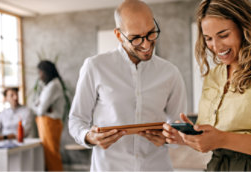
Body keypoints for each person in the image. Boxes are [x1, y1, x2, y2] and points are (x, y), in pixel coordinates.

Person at [163, 0, 251, 171]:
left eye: (223, 35)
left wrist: (222, 139)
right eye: (208, 38)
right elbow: (212, 138)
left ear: (245, 29)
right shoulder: (214, 75)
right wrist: (186, 138)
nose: (215, 47)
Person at [68, 0, 188, 171]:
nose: (146, 45)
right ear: (119, 35)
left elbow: (178, 127)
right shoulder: (95, 67)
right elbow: (76, 120)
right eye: (136, 38)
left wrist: (169, 138)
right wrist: (88, 136)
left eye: (150, 33)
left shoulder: (171, 73)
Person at [31, 60, 65, 171]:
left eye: (40, 72)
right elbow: (39, 104)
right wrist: (41, 107)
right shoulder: (49, 85)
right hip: (47, 123)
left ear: (46, 72)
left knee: (51, 155)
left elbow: (39, 109)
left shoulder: (54, 85)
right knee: (48, 155)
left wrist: (38, 107)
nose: (39, 76)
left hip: (50, 123)